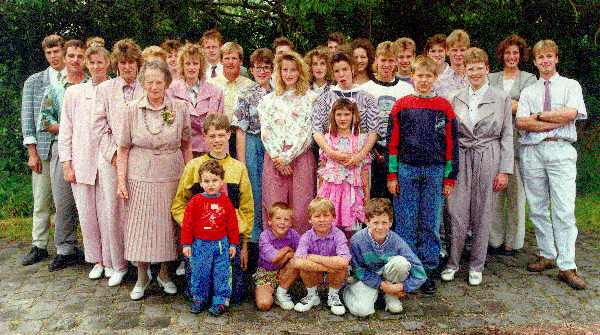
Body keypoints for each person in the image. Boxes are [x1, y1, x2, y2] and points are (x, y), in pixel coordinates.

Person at [116, 60, 193, 300]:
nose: (154, 86)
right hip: (140, 173)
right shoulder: (131, 109)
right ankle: (141, 276)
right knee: (140, 225)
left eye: (159, 82)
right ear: (143, 83)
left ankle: (164, 274)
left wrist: (189, 178)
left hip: (171, 173)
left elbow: (187, 144)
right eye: (149, 82)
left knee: (167, 226)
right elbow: (123, 148)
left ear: (167, 83)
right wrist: (121, 181)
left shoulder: (180, 108)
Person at [516, 40, 587, 290]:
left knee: (564, 208)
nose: (545, 61)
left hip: (560, 148)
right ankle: (547, 253)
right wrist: (550, 118)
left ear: (556, 58)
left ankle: (567, 265)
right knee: (536, 206)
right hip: (532, 150)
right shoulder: (529, 91)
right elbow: (522, 123)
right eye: (540, 57)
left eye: (549, 56)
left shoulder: (570, 85)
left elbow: (570, 114)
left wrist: (539, 117)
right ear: (534, 62)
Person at [386, 55, 458, 294]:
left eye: (428, 76)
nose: (424, 80)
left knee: (429, 222)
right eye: (420, 76)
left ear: (435, 78)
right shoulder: (401, 105)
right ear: (412, 77)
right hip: (406, 169)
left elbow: (451, 145)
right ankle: (407, 268)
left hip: (435, 170)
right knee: (406, 222)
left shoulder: (444, 107)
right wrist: (392, 174)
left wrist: (450, 177)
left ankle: (427, 269)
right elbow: (393, 143)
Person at [442, 48, 513, 286]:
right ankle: (453, 262)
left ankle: (476, 265)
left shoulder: (501, 97)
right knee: (456, 210)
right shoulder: (454, 97)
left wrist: (504, 170)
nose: (474, 72)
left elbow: (507, 136)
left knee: (483, 211)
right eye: (470, 68)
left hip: (488, 154)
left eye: (479, 67)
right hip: (461, 155)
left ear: (487, 69)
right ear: (464, 71)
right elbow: (448, 134)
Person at [171, 113, 254, 304]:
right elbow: (178, 205)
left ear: (229, 135)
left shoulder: (238, 168)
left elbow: (247, 208)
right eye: (212, 136)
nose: (217, 140)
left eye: (221, 135)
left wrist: (244, 243)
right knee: (198, 295)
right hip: (201, 240)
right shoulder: (193, 166)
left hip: (228, 240)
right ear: (205, 137)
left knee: (234, 296)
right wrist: (193, 227)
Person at [94, 38, 145, 287]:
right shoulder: (104, 89)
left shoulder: (148, 87)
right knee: (113, 211)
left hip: (140, 157)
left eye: (131, 63)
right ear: (117, 65)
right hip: (111, 158)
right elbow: (99, 127)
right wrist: (114, 156)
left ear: (138, 64)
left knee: (137, 210)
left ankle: (141, 263)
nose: (127, 67)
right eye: (123, 63)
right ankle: (118, 265)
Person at [58, 45, 111, 279]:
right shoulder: (74, 93)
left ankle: (112, 260)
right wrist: (66, 164)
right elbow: (66, 131)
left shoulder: (116, 89)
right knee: (88, 215)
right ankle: (97, 260)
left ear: (108, 63)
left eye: (101, 62)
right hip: (82, 162)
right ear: (87, 65)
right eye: (93, 62)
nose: (97, 66)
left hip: (109, 162)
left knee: (109, 214)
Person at [39, 39, 88, 272]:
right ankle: (65, 249)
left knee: (90, 202)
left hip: (90, 149)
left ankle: (93, 250)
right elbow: (46, 120)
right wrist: (70, 127)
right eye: (71, 56)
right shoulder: (55, 88)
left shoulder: (94, 85)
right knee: (63, 201)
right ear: (65, 58)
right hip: (63, 148)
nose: (75, 60)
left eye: (80, 56)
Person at [257, 51, 318, 234]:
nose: (289, 74)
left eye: (293, 70)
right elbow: (266, 130)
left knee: (301, 209)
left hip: (300, 158)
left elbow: (308, 131)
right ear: (279, 72)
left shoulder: (310, 98)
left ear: (300, 72)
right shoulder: (268, 100)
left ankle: (300, 254)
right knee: (275, 206)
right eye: (285, 70)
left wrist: (288, 157)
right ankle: (274, 256)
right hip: (274, 159)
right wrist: (278, 157)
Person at [487, 35, 537, 256]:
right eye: (508, 53)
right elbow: (486, 104)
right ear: (502, 55)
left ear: (521, 55)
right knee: (494, 194)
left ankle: (513, 242)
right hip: (492, 144)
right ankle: (494, 240)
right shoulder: (491, 78)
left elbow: (527, 106)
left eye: (515, 53)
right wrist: (512, 106)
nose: (511, 57)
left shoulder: (529, 79)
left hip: (519, 143)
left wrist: (502, 105)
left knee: (517, 195)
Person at [21, 34, 65, 266]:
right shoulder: (34, 82)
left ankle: (64, 247)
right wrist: (32, 152)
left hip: (70, 149)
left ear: (63, 51)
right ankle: (38, 244)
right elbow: (27, 119)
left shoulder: (76, 78)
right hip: (44, 149)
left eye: (56, 51)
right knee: (41, 200)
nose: (53, 56)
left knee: (64, 202)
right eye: (48, 53)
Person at [311, 52, 378, 199]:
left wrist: (359, 156)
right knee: (328, 205)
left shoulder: (367, 98)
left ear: (352, 69)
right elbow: (316, 129)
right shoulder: (325, 98)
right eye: (336, 71)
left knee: (358, 201)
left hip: (359, 159)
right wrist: (331, 152)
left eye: (345, 69)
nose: (341, 74)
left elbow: (373, 131)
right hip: (331, 160)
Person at [344, 198, 427, 317]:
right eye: (375, 222)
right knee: (362, 311)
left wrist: (401, 286)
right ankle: (349, 292)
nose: (380, 227)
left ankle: (390, 295)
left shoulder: (396, 241)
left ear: (390, 222)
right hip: (366, 279)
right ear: (367, 222)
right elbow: (358, 270)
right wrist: (381, 285)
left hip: (389, 277)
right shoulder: (357, 241)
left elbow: (420, 273)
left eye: (384, 222)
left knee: (401, 263)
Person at [232, 48, 274, 264]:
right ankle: (254, 243)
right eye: (258, 67)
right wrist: (241, 161)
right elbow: (240, 128)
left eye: (266, 67)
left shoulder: (278, 91)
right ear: (252, 69)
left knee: (272, 193)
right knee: (255, 192)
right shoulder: (246, 93)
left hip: (274, 146)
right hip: (253, 143)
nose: (262, 71)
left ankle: (274, 239)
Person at [181, 160, 239, 316]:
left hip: (221, 245)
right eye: (206, 181)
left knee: (221, 273)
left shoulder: (225, 202)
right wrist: (186, 244)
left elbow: (232, 224)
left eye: (215, 180)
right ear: (200, 182)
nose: (211, 184)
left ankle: (220, 300)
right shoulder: (195, 202)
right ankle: (199, 298)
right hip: (200, 245)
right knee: (200, 272)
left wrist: (233, 243)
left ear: (221, 182)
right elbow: (187, 224)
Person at [360, 41, 415, 199]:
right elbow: (361, 125)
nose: (386, 64)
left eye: (391, 60)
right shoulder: (365, 89)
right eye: (383, 60)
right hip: (371, 152)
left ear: (397, 62)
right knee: (374, 197)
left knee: (396, 197)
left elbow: (409, 125)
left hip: (397, 153)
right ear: (376, 60)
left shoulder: (406, 89)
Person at [317, 98, 370, 236]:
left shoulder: (360, 140)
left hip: (352, 189)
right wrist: (319, 193)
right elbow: (322, 167)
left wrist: (367, 196)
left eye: (347, 114)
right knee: (330, 224)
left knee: (352, 227)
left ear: (354, 116)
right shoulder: (327, 139)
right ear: (333, 116)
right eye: (339, 114)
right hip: (331, 190)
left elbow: (365, 170)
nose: (342, 118)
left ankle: (350, 256)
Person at [291, 197, 350, 315]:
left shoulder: (339, 235)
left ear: (333, 217)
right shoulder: (306, 236)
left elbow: (344, 261)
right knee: (304, 267)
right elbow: (297, 262)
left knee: (341, 267)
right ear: (310, 219)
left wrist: (313, 257)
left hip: (334, 275)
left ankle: (333, 296)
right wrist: (329, 267)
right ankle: (312, 295)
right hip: (318, 272)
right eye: (317, 216)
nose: (322, 220)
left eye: (326, 215)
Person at [168, 43, 224, 156]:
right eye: (187, 63)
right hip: (181, 151)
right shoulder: (170, 91)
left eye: (195, 63)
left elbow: (220, 126)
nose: (191, 67)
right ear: (182, 66)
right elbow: (169, 123)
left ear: (201, 66)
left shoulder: (216, 91)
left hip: (208, 150)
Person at [208, 41, 254, 158]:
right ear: (221, 61)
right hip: (219, 138)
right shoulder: (211, 84)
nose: (230, 62)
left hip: (244, 139)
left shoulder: (250, 86)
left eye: (234, 58)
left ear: (241, 61)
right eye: (227, 58)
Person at [254, 202, 300, 311]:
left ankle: (281, 293)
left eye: (286, 219)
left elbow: (302, 253)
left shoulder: (293, 234)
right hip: (266, 274)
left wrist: (291, 256)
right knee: (264, 304)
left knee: (297, 261)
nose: (282, 223)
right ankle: (268, 292)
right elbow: (274, 259)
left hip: (285, 272)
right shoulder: (264, 236)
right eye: (278, 218)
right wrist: (287, 250)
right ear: (270, 221)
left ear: (291, 223)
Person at [433, 29, 470, 100]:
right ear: (447, 51)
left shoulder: (475, 77)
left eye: (462, 50)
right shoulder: (439, 81)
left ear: (468, 51)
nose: (458, 54)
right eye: (454, 50)